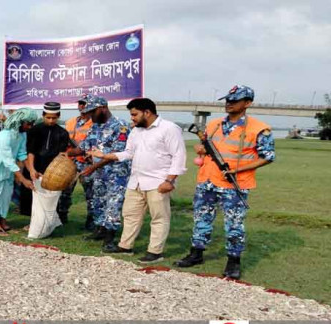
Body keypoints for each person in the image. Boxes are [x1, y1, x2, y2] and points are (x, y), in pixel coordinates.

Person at [175, 85, 275, 279]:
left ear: (247, 103)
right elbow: (206, 145)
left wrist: (239, 169)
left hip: (234, 184)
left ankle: (233, 261)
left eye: (235, 100)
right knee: (201, 218)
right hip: (207, 180)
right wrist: (201, 148)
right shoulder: (213, 124)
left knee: (234, 224)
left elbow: (268, 156)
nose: (229, 104)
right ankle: (196, 254)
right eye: (228, 100)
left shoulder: (259, 129)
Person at [89, 98, 187, 262]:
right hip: (136, 181)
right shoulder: (136, 131)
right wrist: (104, 155)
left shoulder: (169, 129)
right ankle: (125, 247)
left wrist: (169, 181)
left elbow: (179, 156)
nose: (132, 118)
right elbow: (128, 153)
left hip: (158, 182)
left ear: (147, 112)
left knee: (159, 218)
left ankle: (155, 252)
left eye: (134, 114)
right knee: (130, 215)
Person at [69, 96, 131, 250]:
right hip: (99, 173)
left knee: (113, 204)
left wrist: (94, 167)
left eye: (92, 112)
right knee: (98, 201)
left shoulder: (120, 126)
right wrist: (67, 153)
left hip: (117, 174)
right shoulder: (95, 127)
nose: (90, 116)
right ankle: (100, 230)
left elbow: (118, 152)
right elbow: (83, 147)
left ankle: (110, 238)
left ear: (102, 108)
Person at [0, 108, 38, 235]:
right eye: (29, 123)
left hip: (7, 171)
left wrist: (32, 171)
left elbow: (22, 154)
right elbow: (8, 160)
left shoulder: (22, 134)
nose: (31, 126)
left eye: (32, 123)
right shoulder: (3, 136)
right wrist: (23, 179)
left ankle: (3, 222)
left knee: (5, 197)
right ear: (20, 121)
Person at [19, 102, 72, 218]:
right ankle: (33, 222)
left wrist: (56, 172)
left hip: (52, 170)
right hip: (34, 166)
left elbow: (62, 155)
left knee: (50, 197)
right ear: (43, 116)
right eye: (48, 117)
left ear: (59, 116)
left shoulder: (62, 133)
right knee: (31, 196)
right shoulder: (34, 130)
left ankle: (48, 221)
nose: (51, 120)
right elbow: (30, 151)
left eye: (54, 118)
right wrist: (32, 170)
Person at [64, 94, 95, 230]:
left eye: (85, 103)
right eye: (80, 103)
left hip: (86, 163)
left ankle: (91, 222)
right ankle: (61, 217)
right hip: (70, 162)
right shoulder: (70, 122)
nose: (82, 106)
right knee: (65, 191)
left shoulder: (96, 124)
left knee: (91, 193)